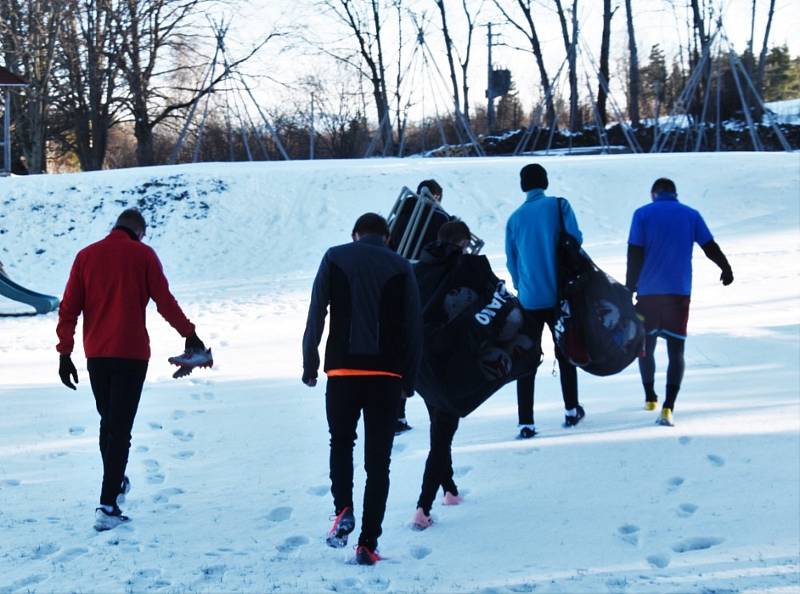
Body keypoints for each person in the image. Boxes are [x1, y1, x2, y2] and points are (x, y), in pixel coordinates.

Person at [56, 208, 205, 531]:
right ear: (140, 231)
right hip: (132, 354)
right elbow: (164, 301)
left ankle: (116, 480)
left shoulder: (86, 256)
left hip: (96, 353)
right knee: (120, 427)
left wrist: (64, 353)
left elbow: (68, 309)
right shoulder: (143, 255)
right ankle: (107, 506)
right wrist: (189, 334)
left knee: (108, 421)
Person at [302, 212, 422, 566]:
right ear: (386, 237)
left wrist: (310, 363)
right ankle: (368, 542)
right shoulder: (402, 266)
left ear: (355, 234)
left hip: (341, 370)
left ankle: (343, 508)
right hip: (386, 376)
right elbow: (414, 328)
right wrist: (409, 381)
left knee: (340, 442)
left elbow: (316, 314)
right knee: (378, 462)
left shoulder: (334, 256)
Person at [626, 177, 733, 427]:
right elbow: (709, 246)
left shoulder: (642, 214)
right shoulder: (690, 215)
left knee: (646, 347)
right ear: (674, 194)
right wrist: (726, 267)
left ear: (654, 194)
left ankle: (650, 396)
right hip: (678, 293)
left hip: (649, 293)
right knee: (676, 351)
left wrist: (629, 287)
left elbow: (635, 253)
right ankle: (668, 407)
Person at [411, 220, 489, 530]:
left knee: (440, 424)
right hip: (452, 363)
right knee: (442, 434)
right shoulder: (466, 266)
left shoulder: (418, 269)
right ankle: (423, 507)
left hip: (420, 364)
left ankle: (450, 490)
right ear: (463, 243)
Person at [505, 163, 586, 438]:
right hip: (560, 296)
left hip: (529, 299)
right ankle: (571, 410)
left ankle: (526, 422)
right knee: (565, 352)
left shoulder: (515, 219)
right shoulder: (560, 206)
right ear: (546, 182)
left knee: (526, 359)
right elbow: (575, 239)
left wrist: (521, 286)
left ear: (522, 185)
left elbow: (511, 261)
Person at [390, 179, 446, 435]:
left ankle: (397, 414)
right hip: (424, 291)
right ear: (436, 196)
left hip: (394, 291)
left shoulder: (398, 215)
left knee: (398, 352)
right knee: (424, 354)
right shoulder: (439, 219)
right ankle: (436, 411)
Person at [388, 179, 449, 258]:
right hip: (423, 267)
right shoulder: (441, 220)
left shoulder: (396, 219)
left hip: (394, 265)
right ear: (436, 197)